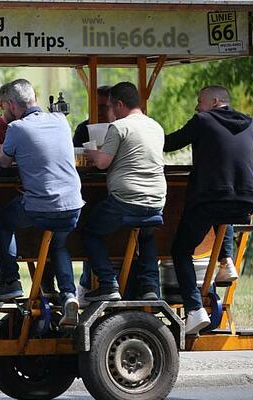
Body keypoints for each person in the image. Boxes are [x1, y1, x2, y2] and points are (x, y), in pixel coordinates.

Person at [163, 85, 253, 334]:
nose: (196, 106)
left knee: (181, 250)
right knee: (224, 211)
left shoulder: (203, 121)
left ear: (215, 101)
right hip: (245, 200)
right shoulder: (249, 122)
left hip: (211, 199)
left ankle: (194, 310)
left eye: (199, 101)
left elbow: (170, 143)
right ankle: (227, 259)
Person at [0, 79, 85, 326]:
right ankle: (68, 296)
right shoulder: (61, 121)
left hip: (41, 205)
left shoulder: (17, 129)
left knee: (2, 221)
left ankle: (10, 280)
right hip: (73, 204)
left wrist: (1, 151)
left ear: (11, 105)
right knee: (59, 244)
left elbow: (1, 162)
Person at [81, 82, 166, 303]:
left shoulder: (119, 127)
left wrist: (90, 152)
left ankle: (108, 283)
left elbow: (102, 163)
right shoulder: (156, 126)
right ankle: (150, 287)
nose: (109, 111)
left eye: (110, 106)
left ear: (119, 104)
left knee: (90, 230)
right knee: (146, 235)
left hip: (126, 199)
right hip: (157, 199)